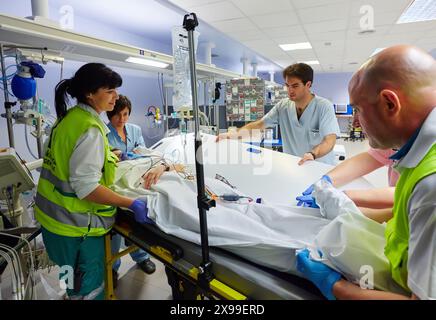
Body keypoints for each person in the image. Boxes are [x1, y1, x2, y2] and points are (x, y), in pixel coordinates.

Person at [296, 45, 436, 300]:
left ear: (389, 103)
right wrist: (336, 191)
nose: (356, 123)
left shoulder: (431, 185)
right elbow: (402, 211)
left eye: (358, 110)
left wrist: (335, 286)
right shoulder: (418, 146)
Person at [34, 63, 152, 300]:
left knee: (69, 279)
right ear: (90, 93)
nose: (115, 97)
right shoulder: (91, 129)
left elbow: (61, 162)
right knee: (89, 289)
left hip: (53, 223)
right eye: (109, 91)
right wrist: (130, 203)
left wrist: (109, 158)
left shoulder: (66, 120)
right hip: (77, 229)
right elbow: (86, 188)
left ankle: (71, 293)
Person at [216, 63, 341, 165]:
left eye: (295, 86)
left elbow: (329, 141)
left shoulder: (324, 106)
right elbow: (259, 125)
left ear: (308, 85)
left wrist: (313, 154)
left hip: (319, 168)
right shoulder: (283, 106)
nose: (290, 90)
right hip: (294, 166)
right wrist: (231, 135)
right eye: (287, 85)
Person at [106, 95, 157, 280]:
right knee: (115, 229)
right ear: (109, 114)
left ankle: (142, 257)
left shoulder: (134, 130)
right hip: (116, 183)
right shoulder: (103, 133)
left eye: (126, 114)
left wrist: (134, 154)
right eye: (117, 115)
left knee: (138, 225)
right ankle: (112, 265)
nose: (122, 119)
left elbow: (143, 152)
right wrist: (118, 155)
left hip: (135, 177)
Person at [296, 147, 398, 211]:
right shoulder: (395, 140)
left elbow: (408, 194)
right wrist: (327, 180)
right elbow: (367, 160)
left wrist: (342, 197)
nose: (354, 123)